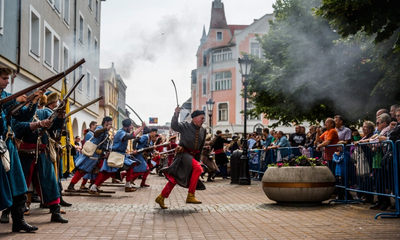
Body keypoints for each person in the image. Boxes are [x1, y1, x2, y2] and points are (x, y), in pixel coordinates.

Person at [12, 91, 69, 223]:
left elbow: (55, 127)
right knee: (19, 183)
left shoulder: (45, 112)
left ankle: (55, 212)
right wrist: (38, 124)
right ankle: (9, 212)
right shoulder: (19, 111)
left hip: (43, 153)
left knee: (50, 182)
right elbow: (18, 128)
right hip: (24, 153)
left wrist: (60, 115)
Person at [0, 66, 41, 232]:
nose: (7, 81)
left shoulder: (7, 97)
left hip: (7, 144)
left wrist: (34, 100)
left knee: (18, 183)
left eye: (8, 78)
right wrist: (15, 100)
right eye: (4, 78)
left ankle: (18, 221)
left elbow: (24, 116)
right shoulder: (9, 99)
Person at [155, 108, 206, 209]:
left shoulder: (203, 131)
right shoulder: (185, 126)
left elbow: (200, 148)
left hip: (192, 157)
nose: (203, 120)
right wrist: (176, 114)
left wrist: (198, 160)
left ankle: (161, 197)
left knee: (175, 179)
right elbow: (174, 126)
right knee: (198, 169)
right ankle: (191, 195)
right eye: (202, 118)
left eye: (203, 118)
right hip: (183, 155)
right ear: (195, 118)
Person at [90, 119, 144, 193]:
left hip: (120, 155)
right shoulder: (120, 132)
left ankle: (128, 185)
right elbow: (131, 136)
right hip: (115, 155)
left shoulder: (123, 131)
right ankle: (94, 187)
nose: (131, 127)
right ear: (126, 127)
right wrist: (141, 128)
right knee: (108, 173)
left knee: (130, 165)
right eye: (130, 126)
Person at [68, 117, 112, 191]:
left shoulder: (106, 132)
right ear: (106, 122)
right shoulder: (100, 128)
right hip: (92, 153)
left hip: (99, 155)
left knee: (99, 170)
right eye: (110, 123)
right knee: (83, 170)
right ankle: (71, 185)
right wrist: (105, 128)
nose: (111, 125)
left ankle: (93, 186)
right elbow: (96, 134)